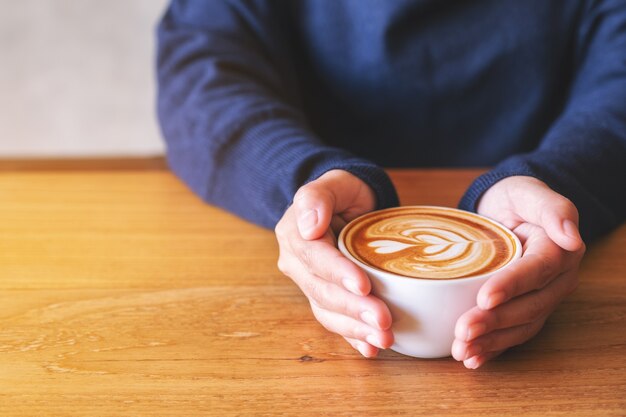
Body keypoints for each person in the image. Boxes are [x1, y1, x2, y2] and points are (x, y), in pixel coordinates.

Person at [156, 1, 626, 369]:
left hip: (546, 238)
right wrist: (306, 184)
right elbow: (199, 71)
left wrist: (562, 182)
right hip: (326, 246)